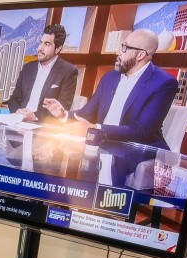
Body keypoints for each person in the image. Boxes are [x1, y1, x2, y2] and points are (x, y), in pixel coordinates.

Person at [44, 28, 178, 184]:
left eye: (124, 47)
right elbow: (87, 113)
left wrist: (95, 129)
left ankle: (103, 204)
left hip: (135, 147)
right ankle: (66, 200)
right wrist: (63, 114)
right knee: (61, 146)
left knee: (105, 156)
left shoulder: (163, 83)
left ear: (141, 55)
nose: (118, 52)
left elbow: (141, 131)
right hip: (101, 142)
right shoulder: (110, 77)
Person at [6, 24, 78, 122]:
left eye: (47, 44)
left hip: (42, 128)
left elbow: (61, 109)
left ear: (58, 49)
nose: (40, 48)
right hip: (19, 122)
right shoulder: (28, 68)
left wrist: (35, 117)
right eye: (41, 42)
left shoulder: (69, 72)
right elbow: (14, 99)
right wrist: (18, 111)